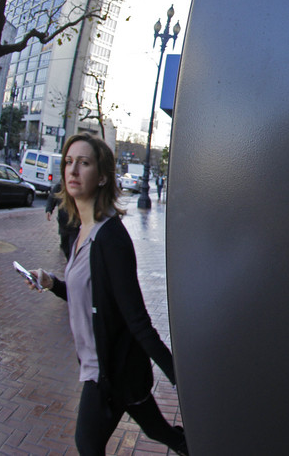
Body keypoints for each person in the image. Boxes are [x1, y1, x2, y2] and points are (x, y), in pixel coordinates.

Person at [28, 133, 188, 456]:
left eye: (83, 163)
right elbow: (90, 299)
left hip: (112, 373)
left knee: (86, 444)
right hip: (102, 367)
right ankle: (191, 446)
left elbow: (137, 319)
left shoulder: (111, 239)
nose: (72, 171)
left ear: (102, 177)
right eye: (68, 162)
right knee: (158, 430)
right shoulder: (79, 231)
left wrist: (178, 379)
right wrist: (51, 283)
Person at [44, 181, 72, 259]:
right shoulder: (59, 186)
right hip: (63, 223)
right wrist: (49, 210)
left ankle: (71, 264)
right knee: (65, 247)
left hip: (75, 224)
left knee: (73, 248)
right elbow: (52, 197)